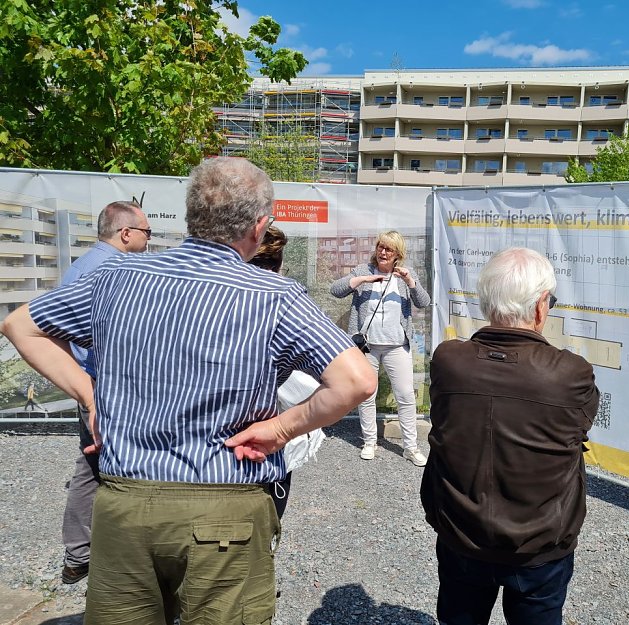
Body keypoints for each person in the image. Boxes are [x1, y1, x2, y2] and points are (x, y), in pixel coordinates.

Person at [0, 156, 376, 625]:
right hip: (227, 507)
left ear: (191, 215)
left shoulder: (117, 277)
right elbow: (358, 380)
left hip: (125, 504)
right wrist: (280, 430)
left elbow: (21, 326)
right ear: (259, 227)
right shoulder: (274, 296)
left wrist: (90, 394)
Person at [420, 247, 600, 625]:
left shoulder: (449, 361)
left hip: (461, 533)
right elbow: (579, 427)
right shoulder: (570, 374)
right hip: (539, 544)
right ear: (539, 308)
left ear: (487, 304)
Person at [56, 200, 150, 585]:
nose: (149, 240)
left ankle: (78, 554)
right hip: (111, 386)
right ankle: (119, 558)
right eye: (147, 232)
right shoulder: (118, 270)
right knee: (118, 467)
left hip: (86, 383)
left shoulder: (81, 267)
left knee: (90, 465)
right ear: (126, 233)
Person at [330, 230, 431, 466]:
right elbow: (335, 290)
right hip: (367, 347)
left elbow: (423, 302)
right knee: (367, 395)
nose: (383, 252)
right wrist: (363, 281)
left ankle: (410, 447)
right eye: (380, 247)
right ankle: (369, 441)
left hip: (397, 346)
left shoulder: (405, 275)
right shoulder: (364, 270)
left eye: (389, 249)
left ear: (398, 254)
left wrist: (410, 282)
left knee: (405, 395)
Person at [249, 227, 326, 518]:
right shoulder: (286, 299)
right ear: (279, 264)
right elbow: (353, 381)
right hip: (270, 427)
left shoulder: (206, 295)